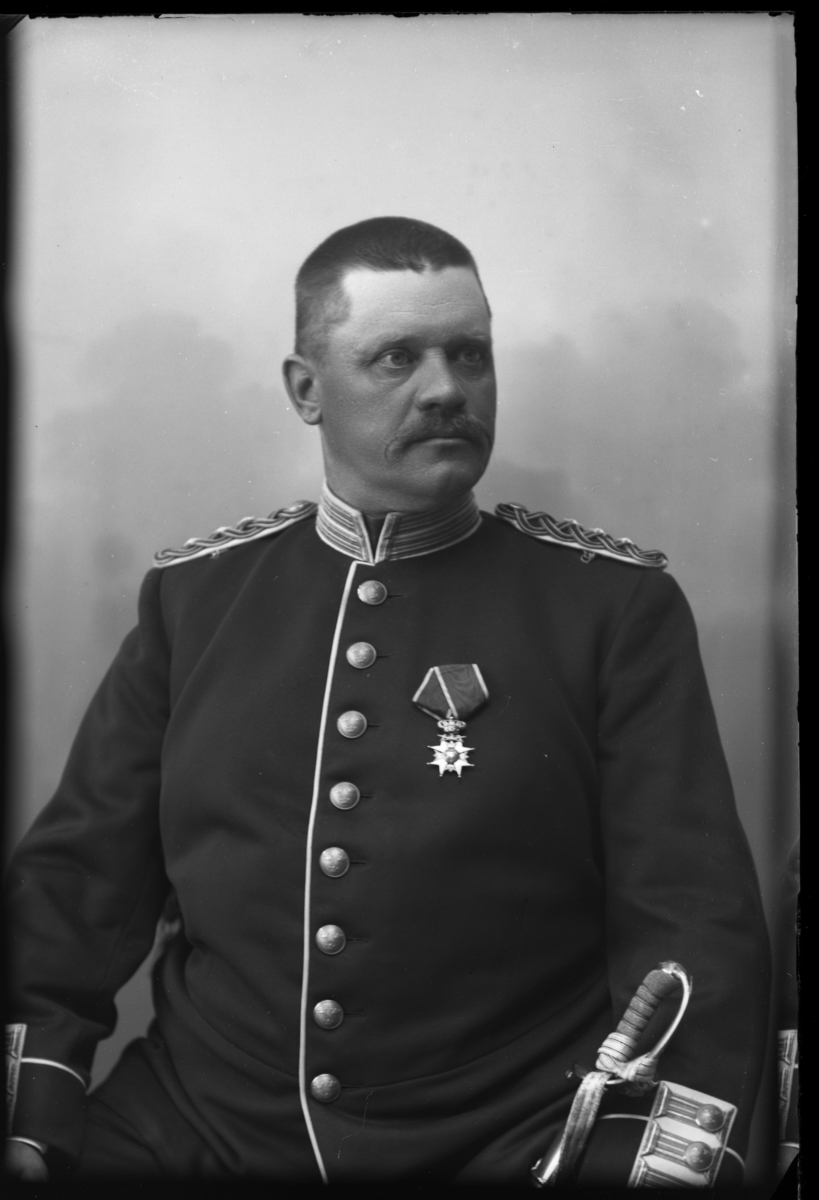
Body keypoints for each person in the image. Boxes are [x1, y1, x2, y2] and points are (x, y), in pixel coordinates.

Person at [6, 217, 770, 1184]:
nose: (446, 388)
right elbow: (78, 886)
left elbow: (690, 922)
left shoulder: (611, 608)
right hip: (202, 1126)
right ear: (306, 390)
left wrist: (645, 1160)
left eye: (469, 354)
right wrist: (27, 1111)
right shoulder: (195, 601)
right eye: (397, 357)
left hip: (511, 1136)